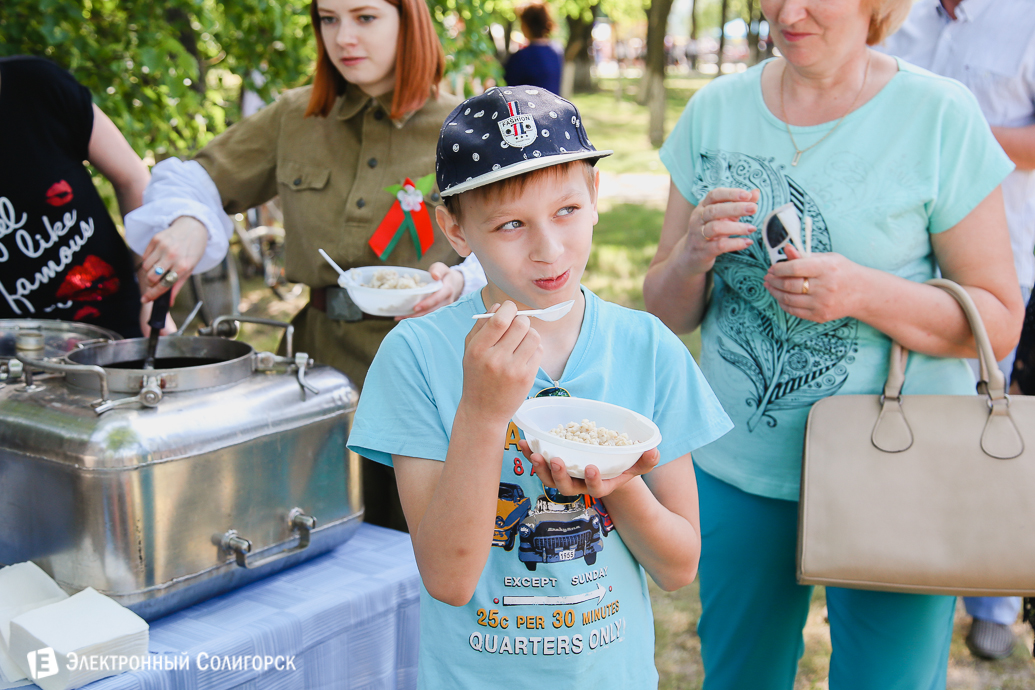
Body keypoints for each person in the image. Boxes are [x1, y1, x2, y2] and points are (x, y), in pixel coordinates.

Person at [642, 0, 1025, 685]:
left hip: (898, 471)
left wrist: (863, 294)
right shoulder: (714, 109)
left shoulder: (939, 115)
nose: (786, 12)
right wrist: (689, 257)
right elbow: (666, 310)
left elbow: (997, 321)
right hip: (739, 470)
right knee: (738, 677)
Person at [346, 87, 733, 688]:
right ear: (455, 229)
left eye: (567, 211)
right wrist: (481, 410)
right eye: (509, 225)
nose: (548, 249)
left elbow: (679, 566)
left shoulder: (648, 348)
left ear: (595, 196)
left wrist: (614, 482)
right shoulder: (417, 356)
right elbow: (449, 580)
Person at [123, 0, 487, 531]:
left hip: (429, 374)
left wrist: (461, 280)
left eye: (365, 17)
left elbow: (513, 240)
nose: (343, 38)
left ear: (409, 22)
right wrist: (189, 222)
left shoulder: (463, 126)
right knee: (311, 536)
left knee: (420, 546)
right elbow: (197, 180)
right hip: (315, 371)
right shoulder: (295, 117)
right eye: (328, 19)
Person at [881, 0, 1035, 660]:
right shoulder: (894, 15)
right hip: (901, 261)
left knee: (992, 422)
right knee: (908, 418)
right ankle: (895, 561)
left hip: (1003, 258)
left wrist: (944, 128)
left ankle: (993, 598)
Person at [0, 56, 160, 338]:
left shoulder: (37, 85)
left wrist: (153, 292)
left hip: (119, 329)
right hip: (15, 363)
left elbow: (133, 180)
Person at [503, 4, 563, 95]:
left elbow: (505, 88)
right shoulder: (556, 52)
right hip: (553, 107)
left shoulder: (521, 57)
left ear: (526, 25)